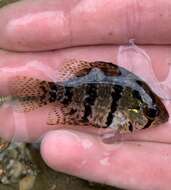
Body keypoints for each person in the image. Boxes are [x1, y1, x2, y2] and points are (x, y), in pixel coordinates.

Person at [0, 1, 171, 189]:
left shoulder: (139, 96)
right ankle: (44, 93)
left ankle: (45, 94)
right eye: (152, 114)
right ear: (135, 110)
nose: (155, 118)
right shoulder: (137, 99)